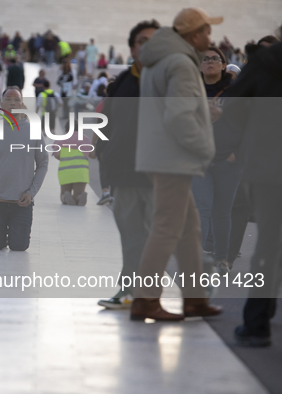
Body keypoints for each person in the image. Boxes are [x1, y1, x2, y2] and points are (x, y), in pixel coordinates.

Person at [132, 8, 224, 320]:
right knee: (167, 227)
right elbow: (180, 116)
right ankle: (145, 299)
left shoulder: (160, 61)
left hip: (163, 156)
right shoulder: (182, 64)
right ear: (192, 35)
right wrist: (204, 148)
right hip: (174, 158)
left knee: (189, 230)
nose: (210, 38)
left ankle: (194, 299)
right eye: (206, 31)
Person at [96, 19, 160, 309]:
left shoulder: (170, 78)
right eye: (142, 41)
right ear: (133, 47)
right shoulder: (122, 81)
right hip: (125, 173)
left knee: (156, 238)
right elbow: (107, 125)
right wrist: (106, 162)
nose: (148, 46)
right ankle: (130, 291)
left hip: (158, 173)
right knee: (132, 238)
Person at [224, 41, 282, 347]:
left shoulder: (266, 61)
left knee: (269, 244)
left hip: (270, 164)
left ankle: (258, 323)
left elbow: (233, 103)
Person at [0, 87, 48, 251]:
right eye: (8, 99)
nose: (12, 103)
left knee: (19, 247)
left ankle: (14, 233)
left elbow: (43, 164)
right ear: (1, 104)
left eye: (16, 100)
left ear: (22, 104)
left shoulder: (33, 130)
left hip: (22, 204)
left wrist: (31, 193)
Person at [191, 46, 241, 275]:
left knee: (222, 211)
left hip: (228, 161)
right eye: (205, 59)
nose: (210, 62)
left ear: (223, 65)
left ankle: (222, 257)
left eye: (215, 59)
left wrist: (239, 152)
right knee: (203, 208)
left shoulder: (236, 91)